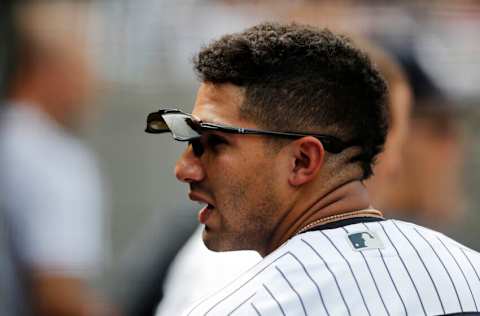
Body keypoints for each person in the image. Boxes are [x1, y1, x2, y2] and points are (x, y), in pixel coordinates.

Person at [146, 22, 480, 315]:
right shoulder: (470, 273)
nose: (185, 168)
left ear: (302, 161)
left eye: (215, 143)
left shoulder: (238, 305)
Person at [0, 2, 115, 316]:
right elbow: (59, 298)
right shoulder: (54, 160)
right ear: (55, 69)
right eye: (89, 65)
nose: (97, 85)